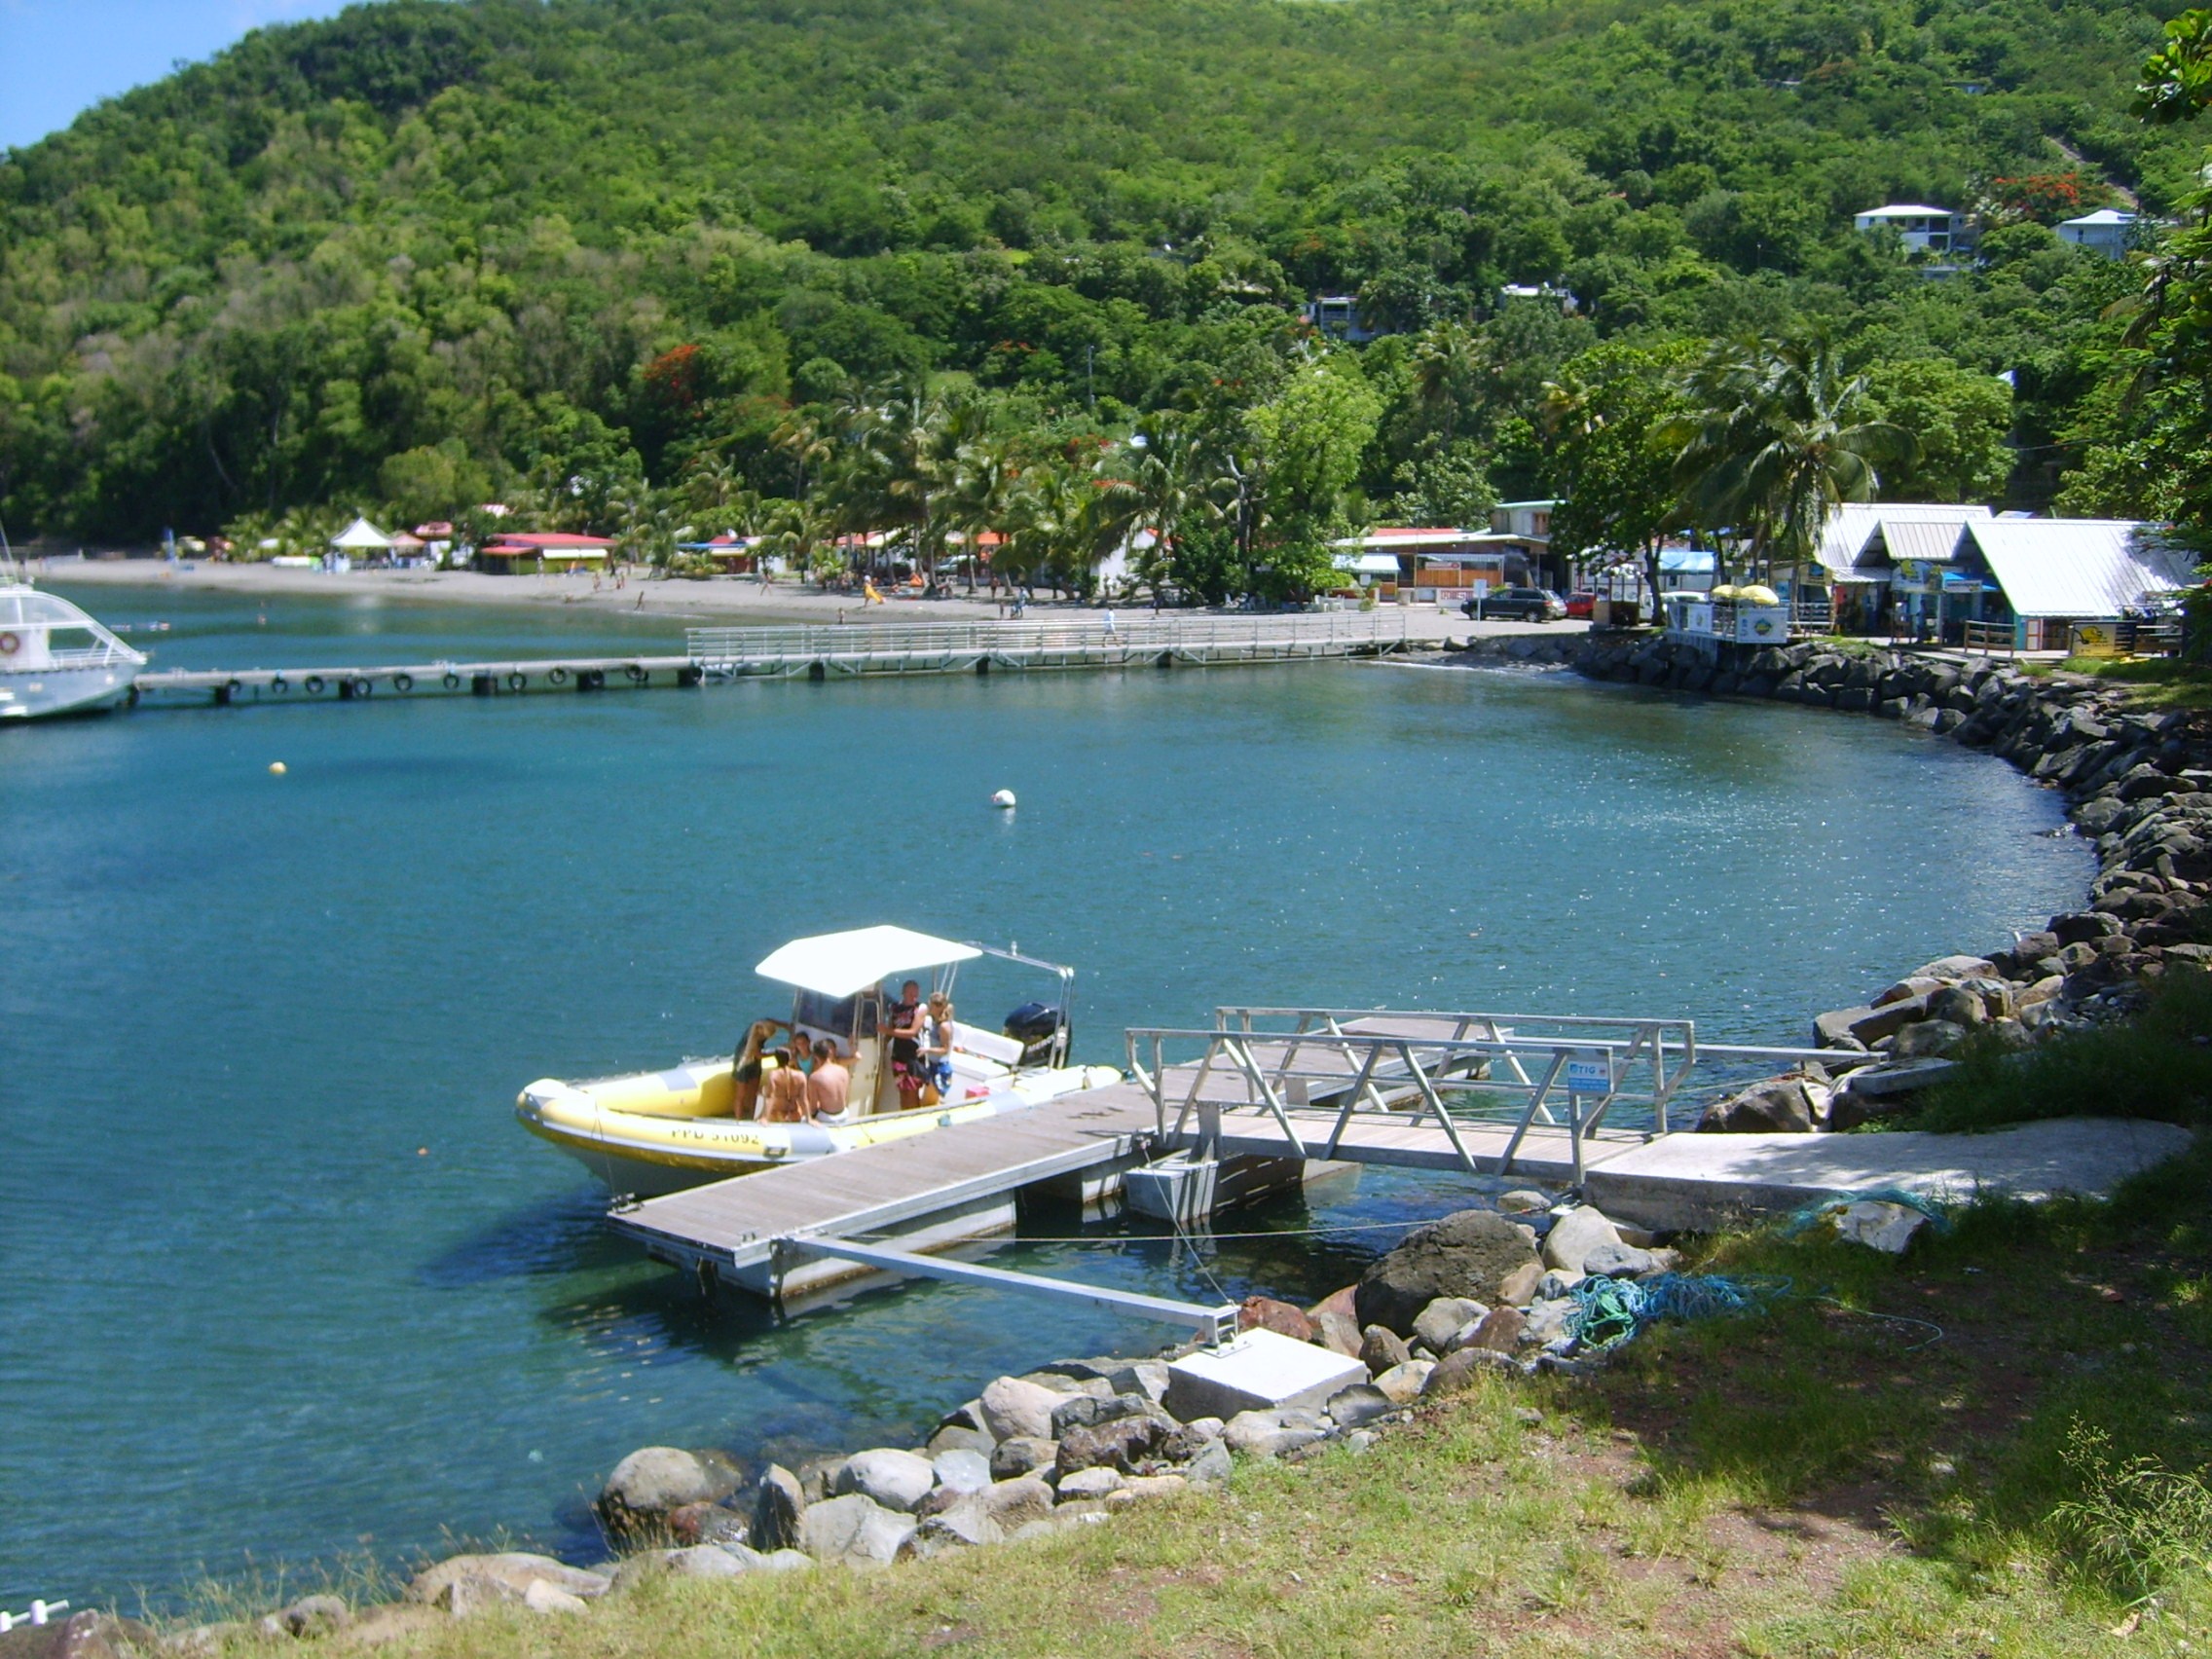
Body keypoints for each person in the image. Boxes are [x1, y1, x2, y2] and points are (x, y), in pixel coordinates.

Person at [887, 978, 927, 1107]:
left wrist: (888, 1031)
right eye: (911, 994)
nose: (914, 998)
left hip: (913, 1057)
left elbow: (912, 1032)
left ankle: (915, 1119)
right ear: (903, 993)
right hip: (898, 1055)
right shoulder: (894, 1008)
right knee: (903, 1091)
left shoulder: (920, 1009)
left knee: (912, 1092)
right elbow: (889, 1030)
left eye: (916, 995)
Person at [806, 1037, 851, 1123]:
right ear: (829, 1053)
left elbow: (813, 1108)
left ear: (815, 1056)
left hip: (826, 1117)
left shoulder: (815, 1077)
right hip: (844, 1114)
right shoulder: (844, 1070)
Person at [923, 991, 957, 1102]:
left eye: (931, 1005)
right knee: (928, 1100)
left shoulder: (943, 1026)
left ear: (938, 1007)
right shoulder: (936, 1023)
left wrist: (927, 1050)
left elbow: (945, 1049)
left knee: (929, 1102)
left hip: (939, 1067)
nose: (929, 1007)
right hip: (933, 1065)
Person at [761, 1048, 808, 1123]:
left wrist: (764, 1118)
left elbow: (770, 1098)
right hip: (794, 1114)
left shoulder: (774, 1075)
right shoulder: (800, 1075)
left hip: (777, 1114)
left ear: (776, 1059)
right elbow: (804, 1099)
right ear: (789, 1059)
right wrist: (809, 1119)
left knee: (765, 1091)